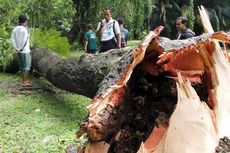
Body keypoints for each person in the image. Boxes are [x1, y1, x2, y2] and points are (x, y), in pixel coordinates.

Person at [12, 14, 32, 87]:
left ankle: (25, 80)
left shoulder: (15, 29)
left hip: (19, 50)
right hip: (25, 51)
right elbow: (24, 40)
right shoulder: (25, 29)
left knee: (23, 66)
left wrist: (16, 48)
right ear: (25, 21)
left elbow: (13, 39)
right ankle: (24, 82)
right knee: (26, 66)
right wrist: (21, 48)